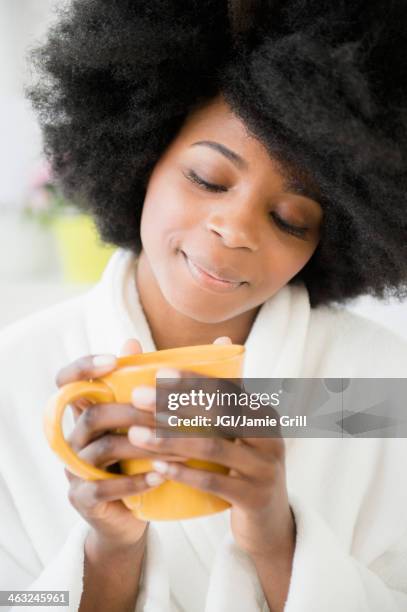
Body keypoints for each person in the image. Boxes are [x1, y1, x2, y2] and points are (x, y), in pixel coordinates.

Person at [1, 1, 406, 610]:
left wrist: (275, 539)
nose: (235, 228)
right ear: (143, 156)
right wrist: (109, 551)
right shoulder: (15, 374)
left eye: (292, 218)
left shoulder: (374, 385)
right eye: (209, 179)